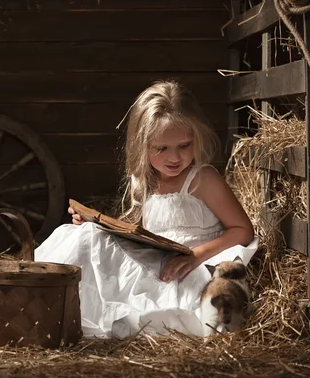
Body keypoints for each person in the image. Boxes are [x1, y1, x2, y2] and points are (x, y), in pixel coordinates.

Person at [34, 80, 258, 338]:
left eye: (184, 145)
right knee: (83, 236)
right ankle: (40, 299)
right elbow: (139, 231)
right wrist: (93, 224)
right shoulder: (142, 180)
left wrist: (195, 256)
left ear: (196, 137)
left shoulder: (202, 179)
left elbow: (242, 230)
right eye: (161, 148)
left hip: (191, 267)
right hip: (156, 259)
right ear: (142, 145)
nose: (174, 158)